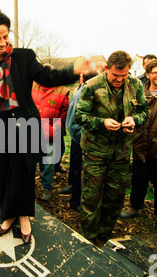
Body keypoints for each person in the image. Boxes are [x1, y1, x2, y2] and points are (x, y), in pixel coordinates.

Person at [0, 3, 92, 243]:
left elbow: (47, 77)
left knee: (21, 173)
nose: (2, 42)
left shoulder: (23, 57)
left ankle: (23, 217)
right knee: (0, 174)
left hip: (21, 126)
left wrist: (73, 70)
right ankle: (8, 213)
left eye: (6, 36)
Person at [75, 50, 148, 247]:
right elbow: (79, 115)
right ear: (107, 69)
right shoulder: (92, 86)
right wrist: (102, 122)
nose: (119, 79)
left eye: (123, 76)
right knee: (91, 200)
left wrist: (134, 120)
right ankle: (87, 243)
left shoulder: (135, 85)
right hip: (95, 153)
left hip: (121, 154)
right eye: (115, 75)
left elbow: (144, 112)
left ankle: (103, 240)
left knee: (114, 200)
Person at [120, 59, 157, 222]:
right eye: (154, 72)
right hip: (140, 145)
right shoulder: (140, 94)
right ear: (148, 75)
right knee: (139, 179)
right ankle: (135, 207)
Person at [65, 70, 99, 211]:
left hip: (78, 137)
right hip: (81, 137)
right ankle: (76, 202)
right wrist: (81, 138)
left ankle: (73, 190)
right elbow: (73, 120)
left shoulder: (81, 90)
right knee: (80, 170)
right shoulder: (83, 94)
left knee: (76, 168)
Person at [32, 79, 69, 201]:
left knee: (49, 163)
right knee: (30, 162)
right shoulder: (32, 86)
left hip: (51, 134)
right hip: (32, 131)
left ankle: (47, 188)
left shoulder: (62, 91)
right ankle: (27, 187)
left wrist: (56, 129)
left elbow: (64, 113)